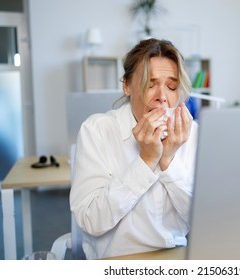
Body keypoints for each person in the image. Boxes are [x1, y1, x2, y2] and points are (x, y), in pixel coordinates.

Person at [69, 38, 198, 259]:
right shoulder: (97, 130)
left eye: (172, 86)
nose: (162, 97)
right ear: (127, 86)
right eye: (150, 84)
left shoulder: (189, 133)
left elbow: (201, 220)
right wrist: (146, 161)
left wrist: (168, 161)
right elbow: (90, 220)